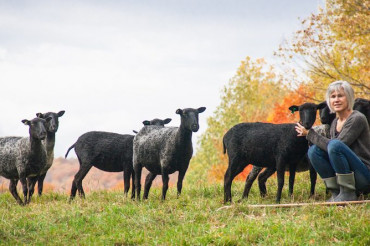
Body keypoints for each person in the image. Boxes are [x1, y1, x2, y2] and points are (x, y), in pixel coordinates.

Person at [295, 80, 370, 202]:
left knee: (335, 145)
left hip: (364, 177)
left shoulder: (357, 118)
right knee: (314, 151)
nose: (336, 100)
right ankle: (336, 192)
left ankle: (348, 192)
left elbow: (336, 146)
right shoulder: (335, 122)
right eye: (333, 96)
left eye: (340, 96)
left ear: (349, 98)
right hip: (348, 174)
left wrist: (310, 134)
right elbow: (330, 150)